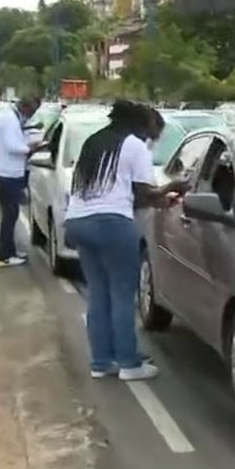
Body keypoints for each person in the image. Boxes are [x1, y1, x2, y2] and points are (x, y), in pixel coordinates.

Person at [64, 101, 167, 381]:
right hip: (111, 223)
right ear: (140, 124)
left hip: (78, 221)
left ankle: (100, 362)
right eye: (150, 131)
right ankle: (129, 364)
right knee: (122, 294)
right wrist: (172, 189)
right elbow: (143, 194)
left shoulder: (94, 141)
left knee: (98, 294)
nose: (150, 138)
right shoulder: (134, 145)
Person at [0, 95, 42, 267]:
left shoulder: (10, 117)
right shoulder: (9, 119)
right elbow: (12, 146)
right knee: (10, 215)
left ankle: (10, 251)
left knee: (11, 215)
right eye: (32, 112)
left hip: (10, 172)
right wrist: (30, 148)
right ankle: (4, 256)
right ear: (25, 108)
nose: (31, 116)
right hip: (8, 174)